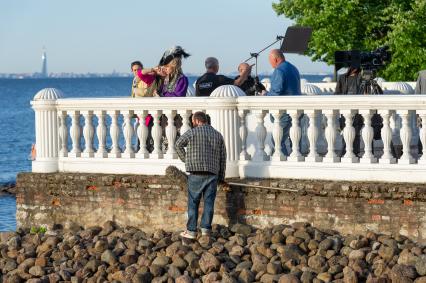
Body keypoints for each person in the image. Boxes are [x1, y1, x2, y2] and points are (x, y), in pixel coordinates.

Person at [175, 111, 226, 239]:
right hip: (212, 173)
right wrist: (221, 177)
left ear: (197, 121)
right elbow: (223, 158)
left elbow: (178, 144)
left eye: (193, 122)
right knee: (209, 203)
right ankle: (205, 230)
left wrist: (186, 159)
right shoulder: (218, 135)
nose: (193, 124)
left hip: (196, 173)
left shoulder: (192, 132)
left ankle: (191, 231)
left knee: (193, 202)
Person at [261, 49, 301, 156]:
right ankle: (295, 162)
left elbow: (275, 93)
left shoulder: (279, 70)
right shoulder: (294, 68)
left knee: (277, 139)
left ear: (275, 59)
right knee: (296, 140)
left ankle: (284, 162)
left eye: (271, 61)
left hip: (284, 112)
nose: (271, 64)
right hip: (297, 109)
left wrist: (265, 94)